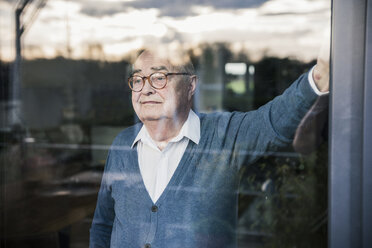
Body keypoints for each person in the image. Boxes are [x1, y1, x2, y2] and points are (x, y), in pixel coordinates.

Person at [89, 48, 329, 248]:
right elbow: (103, 224)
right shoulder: (121, 145)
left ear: (191, 85)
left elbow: (272, 121)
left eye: (159, 77)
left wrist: (318, 77)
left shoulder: (224, 136)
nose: (146, 88)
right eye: (138, 79)